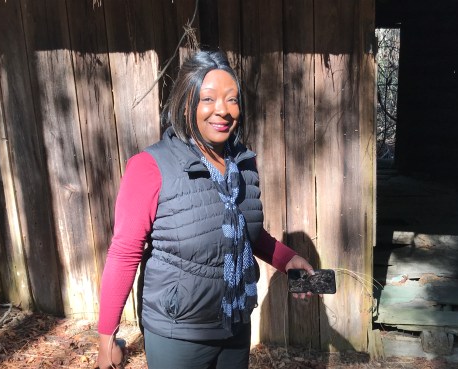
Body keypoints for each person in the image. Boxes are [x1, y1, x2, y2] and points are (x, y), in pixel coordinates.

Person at [96, 50, 314, 369]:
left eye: (232, 99)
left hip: (235, 322)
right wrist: (106, 339)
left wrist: (287, 259)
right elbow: (124, 253)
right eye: (208, 99)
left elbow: (246, 231)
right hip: (178, 333)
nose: (222, 111)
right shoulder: (150, 167)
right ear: (187, 105)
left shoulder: (243, 163)